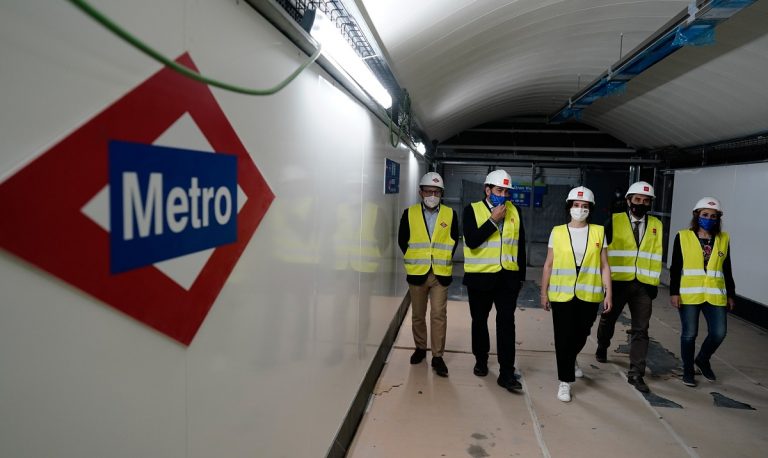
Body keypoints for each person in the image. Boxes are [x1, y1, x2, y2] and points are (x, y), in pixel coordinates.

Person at [540, 186, 612, 402]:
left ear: (590, 209)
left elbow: (604, 266)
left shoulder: (599, 231)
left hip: (589, 294)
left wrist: (609, 293)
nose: (580, 209)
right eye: (576, 205)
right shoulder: (558, 231)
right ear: (569, 207)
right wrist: (544, 293)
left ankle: (571, 358)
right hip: (562, 294)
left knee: (582, 333)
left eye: (585, 206)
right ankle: (565, 381)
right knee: (562, 337)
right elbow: (549, 264)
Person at [595, 181, 663, 393]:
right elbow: (601, 253)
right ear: (628, 201)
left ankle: (636, 373)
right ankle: (602, 345)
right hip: (618, 282)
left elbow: (656, 254)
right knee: (608, 319)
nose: (641, 204)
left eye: (645, 201)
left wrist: (654, 284)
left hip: (644, 286)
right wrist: (604, 284)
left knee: (641, 330)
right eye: (637, 200)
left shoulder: (657, 225)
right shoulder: (613, 222)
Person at [462, 169, 526, 392]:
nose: (504, 195)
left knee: (507, 323)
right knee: (479, 321)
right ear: (487, 189)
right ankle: (481, 360)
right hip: (479, 278)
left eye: (507, 191)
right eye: (499, 190)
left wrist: (520, 278)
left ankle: (506, 372)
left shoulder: (515, 212)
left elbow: (520, 246)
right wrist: (492, 221)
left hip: (507, 279)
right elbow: (471, 241)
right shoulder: (471, 210)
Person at [669, 197, 736, 387]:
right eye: (705, 215)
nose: (709, 218)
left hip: (715, 294)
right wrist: (674, 292)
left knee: (719, 333)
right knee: (689, 334)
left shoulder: (723, 239)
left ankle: (703, 359)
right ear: (697, 215)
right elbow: (675, 268)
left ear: (718, 219)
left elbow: (727, 268)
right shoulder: (683, 236)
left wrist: (731, 294)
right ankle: (688, 369)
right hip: (690, 294)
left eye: (713, 216)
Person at [398, 172, 459, 377]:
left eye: (437, 192)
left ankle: (438, 356)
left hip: (440, 273)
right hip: (417, 273)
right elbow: (402, 240)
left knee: (438, 315)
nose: (432, 195)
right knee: (417, 315)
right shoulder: (409, 213)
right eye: (428, 191)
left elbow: (453, 240)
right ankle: (420, 348)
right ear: (420, 192)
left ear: (441, 193)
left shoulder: (451, 214)